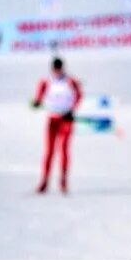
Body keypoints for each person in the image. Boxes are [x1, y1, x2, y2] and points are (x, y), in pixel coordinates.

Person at [32, 57, 82, 194]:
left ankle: (63, 182)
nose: (57, 71)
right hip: (52, 120)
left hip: (66, 119)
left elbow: (79, 96)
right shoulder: (46, 81)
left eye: (59, 68)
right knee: (49, 152)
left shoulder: (70, 81)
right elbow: (39, 96)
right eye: (55, 69)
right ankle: (44, 182)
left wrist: (72, 109)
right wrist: (36, 102)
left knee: (64, 150)